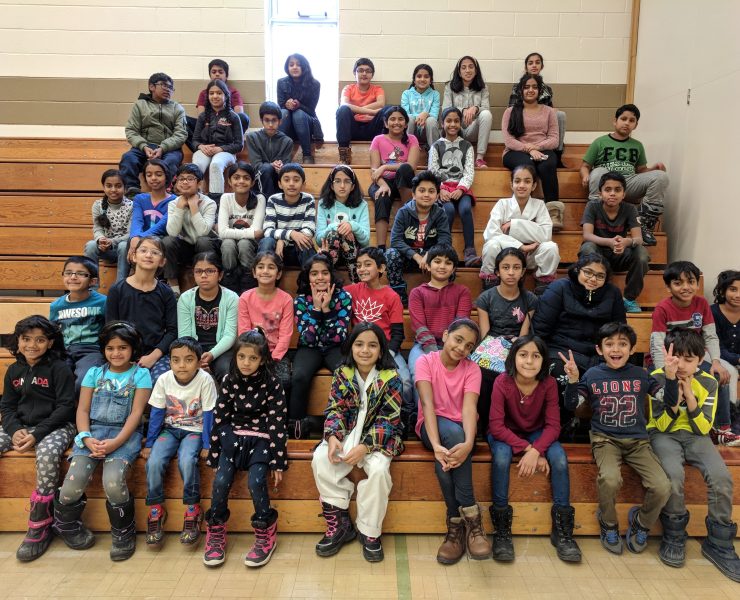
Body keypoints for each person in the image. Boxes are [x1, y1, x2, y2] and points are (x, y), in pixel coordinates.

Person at [562, 322, 671, 555]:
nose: (616, 349)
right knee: (610, 479)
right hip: (605, 440)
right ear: (600, 350)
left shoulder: (641, 374)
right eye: (609, 344)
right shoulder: (592, 375)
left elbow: (668, 402)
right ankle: (609, 523)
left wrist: (670, 379)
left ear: (632, 349)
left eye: (623, 344)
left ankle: (641, 523)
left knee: (662, 486)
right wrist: (573, 381)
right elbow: (572, 405)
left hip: (638, 442)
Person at [54, 321, 152, 561]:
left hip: (124, 435)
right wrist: (86, 438)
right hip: (92, 433)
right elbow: (83, 410)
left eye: (122, 347)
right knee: (70, 486)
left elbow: (137, 413)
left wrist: (116, 442)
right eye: (110, 348)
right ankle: (67, 526)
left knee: (113, 480)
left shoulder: (141, 374)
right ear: (103, 349)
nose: (116, 353)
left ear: (133, 349)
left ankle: (123, 531)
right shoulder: (94, 373)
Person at [648, 329, 740, 581]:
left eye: (689, 359)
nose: (681, 365)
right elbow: (661, 425)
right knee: (673, 475)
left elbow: (702, 428)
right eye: (675, 358)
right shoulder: (656, 378)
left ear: (701, 360)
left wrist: (690, 397)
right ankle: (675, 535)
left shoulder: (708, 382)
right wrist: (673, 399)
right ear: (667, 357)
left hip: (696, 436)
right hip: (663, 435)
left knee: (722, 478)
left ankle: (719, 542)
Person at [312, 321, 404, 562]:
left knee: (379, 471)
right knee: (321, 458)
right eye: (359, 344)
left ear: (381, 350)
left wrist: (365, 447)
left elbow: (389, 420)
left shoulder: (391, 377)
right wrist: (332, 436)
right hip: (347, 433)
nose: (365, 350)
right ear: (350, 347)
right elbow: (335, 409)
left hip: (378, 439)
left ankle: (369, 530)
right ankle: (340, 523)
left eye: (372, 345)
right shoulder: (343, 373)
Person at [488, 335, 581, 563]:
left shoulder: (548, 384)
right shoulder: (502, 382)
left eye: (536, 356)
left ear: (543, 361)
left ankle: (562, 530)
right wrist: (530, 450)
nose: (529, 361)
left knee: (559, 458)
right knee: (500, 457)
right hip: (506, 433)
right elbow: (496, 426)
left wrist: (537, 449)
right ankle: (501, 531)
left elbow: (553, 426)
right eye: (523, 355)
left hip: (537, 433)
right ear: (513, 358)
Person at [203, 329, 287, 568]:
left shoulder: (272, 383)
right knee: (220, 482)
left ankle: (265, 532)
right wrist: (216, 453)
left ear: (262, 359)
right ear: (235, 357)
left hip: (261, 439)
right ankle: (216, 532)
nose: (246, 363)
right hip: (233, 438)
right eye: (242, 357)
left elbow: (277, 422)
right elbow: (220, 418)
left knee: (256, 482)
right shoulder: (229, 381)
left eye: (253, 358)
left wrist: (278, 460)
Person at [415, 318, 492, 564]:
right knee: (452, 439)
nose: (462, 348)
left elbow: (469, 408)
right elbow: (427, 405)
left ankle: (455, 526)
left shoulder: (472, 369)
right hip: (430, 426)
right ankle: (472, 515)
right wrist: (436, 445)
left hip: (460, 431)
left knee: (452, 447)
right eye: (458, 339)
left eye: (469, 346)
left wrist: (469, 443)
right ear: (446, 334)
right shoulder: (425, 361)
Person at [0, 316, 75, 562]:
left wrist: (37, 433)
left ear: (50, 343)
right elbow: (8, 406)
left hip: (56, 426)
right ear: (18, 341)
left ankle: (40, 523)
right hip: (20, 426)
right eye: (26, 339)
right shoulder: (14, 370)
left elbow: (65, 407)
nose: (32, 345)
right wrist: (13, 430)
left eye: (40, 340)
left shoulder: (59, 368)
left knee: (47, 453)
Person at [649, 261, 737, 445]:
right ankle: (661, 426)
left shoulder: (702, 303)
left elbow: (711, 336)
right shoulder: (662, 309)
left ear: (698, 284)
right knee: (656, 384)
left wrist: (715, 361)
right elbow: (657, 346)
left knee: (719, 376)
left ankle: (721, 429)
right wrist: (667, 373)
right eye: (678, 283)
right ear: (668, 287)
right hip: (666, 361)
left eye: (690, 282)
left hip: (692, 359)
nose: (685, 287)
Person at [532, 253, 627, 423]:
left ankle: (599, 429)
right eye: (588, 272)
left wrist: (608, 355)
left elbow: (619, 330)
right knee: (561, 376)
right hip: (560, 351)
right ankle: (561, 425)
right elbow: (540, 328)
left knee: (610, 379)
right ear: (577, 270)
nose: (593, 279)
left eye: (600, 275)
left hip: (597, 354)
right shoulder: (559, 288)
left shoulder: (612, 293)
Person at [142, 337, 217, 547]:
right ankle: (156, 509)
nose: (182, 365)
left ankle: (193, 508)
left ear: (198, 361)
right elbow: (157, 413)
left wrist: (207, 444)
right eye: (176, 360)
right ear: (170, 362)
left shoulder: (205, 380)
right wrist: (150, 444)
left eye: (188, 359)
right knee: (154, 462)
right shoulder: (164, 379)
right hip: (170, 430)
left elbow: (210, 414)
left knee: (186, 460)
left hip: (195, 430)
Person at [580, 103, 669, 246]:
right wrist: (585, 175)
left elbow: (641, 170)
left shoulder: (637, 145)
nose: (627, 123)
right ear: (615, 121)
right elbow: (585, 166)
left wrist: (654, 169)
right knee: (598, 172)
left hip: (628, 183)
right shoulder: (600, 142)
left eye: (631, 121)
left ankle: (644, 223)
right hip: (607, 183)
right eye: (623, 119)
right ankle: (596, 215)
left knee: (661, 176)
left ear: (636, 125)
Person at [345, 247, 413, 433]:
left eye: (368, 264)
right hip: (360, 350)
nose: (362, 269)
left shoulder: (391, 296)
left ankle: (405, 417)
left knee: (405, 382)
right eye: (359, 265)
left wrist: (387, 355)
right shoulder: (351, 291)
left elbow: (398, 333)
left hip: (385, 349)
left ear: (381, 268)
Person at [289, 254, 352, 439]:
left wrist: (327, 310)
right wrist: (316, 309)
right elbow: (308, 337)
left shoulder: (344, 297)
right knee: (299, 376)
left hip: (335, 347)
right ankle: (297, 426)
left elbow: (339, 336)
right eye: (314, 273)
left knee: (345, 372)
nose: (320, 277)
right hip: (310, 347)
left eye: (325, 273)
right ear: (308, 277)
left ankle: (344, 423)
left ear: (331, 275)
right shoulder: (300, 300)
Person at [474, 248, 538, 425]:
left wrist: (516, 347)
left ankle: (515, 422)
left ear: (523, 271)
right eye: (506, 267)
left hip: (518, 346)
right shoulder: (485, 298)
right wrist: (497, 350)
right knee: (484, 372)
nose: (511, 272)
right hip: (491, 345)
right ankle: (487, 423)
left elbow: (524, 336)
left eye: (516, 267)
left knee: (521, 367)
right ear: (497, 271)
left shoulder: (530, 300)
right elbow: (485, 335)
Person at [105, 237, 178, 383]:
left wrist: (153, 356)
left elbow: (172, 331)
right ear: (133, 256)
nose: (148, 255)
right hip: (123, 353)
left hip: (156, 354)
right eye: (143, 250)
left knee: (160, 380)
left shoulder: (166, 292)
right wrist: (125, 356)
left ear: (162, 261)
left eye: (155, 252)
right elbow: (111, 329)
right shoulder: (117, 290)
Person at [480, 164, 560, 291]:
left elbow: (545, 235)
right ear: (511, 184)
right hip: (506, 256)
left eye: (527, 181)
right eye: (517, 181)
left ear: (533, 185)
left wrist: (514, 224)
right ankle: (490, 285)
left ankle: (543, 289)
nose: (522, 185)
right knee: (491, 245)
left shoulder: (539, 205)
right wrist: (521, 246)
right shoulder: (502, 204)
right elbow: (491, 234)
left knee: (551, 247)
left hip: (531, 256)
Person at [408, 245, 472, 401]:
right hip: (423, 346)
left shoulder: (462, 292)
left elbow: (461, 325)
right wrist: (436, 355)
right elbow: (419, 326)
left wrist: (449, 350)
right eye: (437, 261)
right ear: (428, 266)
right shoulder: (417, 293)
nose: (442, 266)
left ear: (454, 268)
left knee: (468, 375)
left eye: (448, 263)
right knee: (420, 375)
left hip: (454, 345)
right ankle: (420, 419)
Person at [580, 171, 650, 313]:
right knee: (588, 248)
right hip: (598, 254)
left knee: (641, 253)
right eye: (608, 189)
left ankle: (629, 299)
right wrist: (609, 242)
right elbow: (587, 235)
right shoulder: (592, 206)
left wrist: (625, 242)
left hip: (620, 254)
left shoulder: (630, 209)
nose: (612, 193)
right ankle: (595, 295)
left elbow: (639, 239)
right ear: (600, 193)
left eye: (617, 190)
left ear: (623, 194)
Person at [502, 74, 563, 230]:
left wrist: (537, 148)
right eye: (527, 87)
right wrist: (530, 149)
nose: (530, 90)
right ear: (521, 90)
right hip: (515, 151)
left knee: (547, 165)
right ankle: (524, 213)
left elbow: (554, 139)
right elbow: (509, 140)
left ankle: (553, 212)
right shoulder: (510, 111)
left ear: (540, 90)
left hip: (543, 149)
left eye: (534, 87)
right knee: (527, 166)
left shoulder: (549, 111)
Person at [386, 170, 452, 305]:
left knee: (450, 256)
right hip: (409, 256)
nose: (426, 194)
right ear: (413, 194)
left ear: (437, 195)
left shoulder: (440, 213)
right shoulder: (403, 212)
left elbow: (445, 240)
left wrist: (430, 254)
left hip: (430, 256)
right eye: (422, 190)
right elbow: (395, 240)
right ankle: (399, 295)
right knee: (391, 254)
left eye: (431, 191)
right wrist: (415, 256)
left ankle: (442, 294)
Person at [119, 72, 187, 196]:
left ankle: (166, 192)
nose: (168, 90)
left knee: (171, 161)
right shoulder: (140, 105)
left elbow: (181, 134)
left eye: (171, 88)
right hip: (143, 147)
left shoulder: (177, 108)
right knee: (128, 158)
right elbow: (131, 130)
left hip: (169, 149)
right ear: (152, 87)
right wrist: (143, 146)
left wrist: (163, 148)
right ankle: (132, 192)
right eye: (164, 85)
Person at [428, 107, 480, 266]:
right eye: (449, 121)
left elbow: (469, 171)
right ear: (442, 124)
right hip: (443, 188)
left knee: (465, 209)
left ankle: (470, 250)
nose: (452, 124)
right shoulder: (436, 146)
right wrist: (441, 188)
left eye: (456, 121)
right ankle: (445, 248)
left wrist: (461, 189)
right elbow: (433, 170)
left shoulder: (467, 146)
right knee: (448, 210)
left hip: (461, 188)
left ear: (461, 123)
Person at [177, 252, 239, 382]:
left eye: (210, 271)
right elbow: (184, 335)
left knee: (227, 373)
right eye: (198, 271)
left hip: (221, 349)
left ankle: (224, 403)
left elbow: (230, 335)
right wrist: (196, 356)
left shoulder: (232, 298)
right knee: (180, 370)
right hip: (192, 348)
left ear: (220, 275)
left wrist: (212, 354)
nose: (203, 275)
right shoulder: (185, 298)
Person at [237, 251, 293, 393]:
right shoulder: (245, 298)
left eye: (271, 267)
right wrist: (254, 357)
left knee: (283, 381)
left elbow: (285, 335)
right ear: (254, 272)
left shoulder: (286, 299)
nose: (265, 271)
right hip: (250, 352)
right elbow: (244, 332)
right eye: (261, 267)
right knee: (242, 379)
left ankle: (278, 414)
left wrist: (273, 359)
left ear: (278, 274)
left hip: (276, 354)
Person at [50, 256, 106, 392]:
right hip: (65, 351)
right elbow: (52, 332)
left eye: (81, 274)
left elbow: (110, 330)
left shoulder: (103, 302)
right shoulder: (56, 305)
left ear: (93, 281)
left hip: (92, 351)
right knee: (56, 379)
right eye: (68, 273)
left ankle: (79, 411)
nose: (73, 277)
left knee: (83, 381)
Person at [162, 163, 219, 296]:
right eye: (181, 179)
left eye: (190, 178)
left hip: (208, 246)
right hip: (186, 247)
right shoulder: (173, 203)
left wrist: (194, 207)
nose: (185, 182)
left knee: (203, 240)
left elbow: (203, 231)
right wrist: (180, 208)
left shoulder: (209, 203)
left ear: (199, 183)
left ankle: (206, 285)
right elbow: (172, 232)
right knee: (168, 241)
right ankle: (174, 290)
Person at [368, 105, 420, 249]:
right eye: (392, 119)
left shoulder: (412, 139)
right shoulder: (378, 140)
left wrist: (385, 166)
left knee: (404, 168)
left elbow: (411, 167)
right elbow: (374, 170)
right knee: (382, 197)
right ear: (385, 123)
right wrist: (383, 184)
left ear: (406, 123)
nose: (396, 122)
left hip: (405, 182)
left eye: (400, 119)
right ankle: (381, 248)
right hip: (382, 181)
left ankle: (408, 212)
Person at [508, 52, 567, 165]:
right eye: (530, 63)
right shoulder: (518, 87)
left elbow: (549, 109)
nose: (534, 65)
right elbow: (511, 109)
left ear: (542, 66)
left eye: (537, 62)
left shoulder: (547, 89)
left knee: (560, 115)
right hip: (523, 125)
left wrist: (552, 110)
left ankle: (558, 154)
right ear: (526, 67)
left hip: (542, 127)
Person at [316, 164, 370, 283]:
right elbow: (319, 239)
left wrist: (352, 226)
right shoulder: (323, 204)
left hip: (353, 253)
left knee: (347, 234)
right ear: (331, 185)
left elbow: (365, 240)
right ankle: (329, 283)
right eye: (337, 181)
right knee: (334, 234)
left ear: (352, 186)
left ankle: (356, 283)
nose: (342, 186)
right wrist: (335, 227)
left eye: (347, 181)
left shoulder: (362, 205)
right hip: (330, 251)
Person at [217, 161, 266, 292]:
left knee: (244, 243)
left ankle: (249, 279)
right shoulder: (226, 198)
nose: (241, 181)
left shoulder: (259, 199)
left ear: (253, 182)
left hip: (250, 246)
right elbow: (222, 233)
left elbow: (256, 232)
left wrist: (253, 233)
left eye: (246, 178)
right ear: (229, 181)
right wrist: (252, 233)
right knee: (227, 243)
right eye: (236, 177)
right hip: (230, 245)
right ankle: (229, 278)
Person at [191, 79, 244, 198]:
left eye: (219, 93)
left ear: (226, 95)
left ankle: (216, 202)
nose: (215, 96)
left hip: (226, 152)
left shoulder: (234, 117)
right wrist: (201, 146)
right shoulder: (202, 116)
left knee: (215, 165)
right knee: (196, 166)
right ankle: (194, 197)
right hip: (205, 150)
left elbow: (239, 145)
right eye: (211, 93)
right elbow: (194, 140)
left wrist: (220, 149)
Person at [259, 162, 316, 268]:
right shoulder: (273, 200)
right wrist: (291, 234)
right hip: (277, 251)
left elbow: (309, 230)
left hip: (297, 249)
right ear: (280, 184)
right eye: (286, 180)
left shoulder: (308, 199)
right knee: (267, 241)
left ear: (303, 184)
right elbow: (267, 231)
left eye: (296, 180)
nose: (291, 183)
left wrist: (283, 240)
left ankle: (307, 282)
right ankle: (267, 281)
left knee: (305, 242)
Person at [127, 159, 177, 278]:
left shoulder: (175, 200)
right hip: (142, 237)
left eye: (158, 174)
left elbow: (163, 225)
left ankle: (172, 282)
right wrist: (135, 237)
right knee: (129, 241)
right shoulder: (140, 198)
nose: (153, 178)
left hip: (162, 237)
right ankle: (129, 279)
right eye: (149, 175)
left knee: (166, 242)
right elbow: (137, 221)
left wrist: (140, 239)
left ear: (166, 176)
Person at [442, 56, 492, 167]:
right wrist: (463, 110)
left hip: (473, 130)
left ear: (476, 70)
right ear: (459, 72)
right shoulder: (449, 87)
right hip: (456, 128)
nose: (467, 70)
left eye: (471, 67)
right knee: (448, 117)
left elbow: (486, 108)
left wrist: (476, 108)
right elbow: (445, 109)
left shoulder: (483, 88)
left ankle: (479, 158)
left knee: (486, 114)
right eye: (463, 68)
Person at [83, 169, 132, 281]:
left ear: (125, 187)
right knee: (90, 245)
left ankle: (120, 286)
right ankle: (91, 287)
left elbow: (131, 234)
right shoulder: (98, 205)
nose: (113, 189)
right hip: (105, 249)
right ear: (103, 187)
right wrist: (101, 240)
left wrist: (112, 242)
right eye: (109, 186)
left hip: (124, 250)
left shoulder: (131, 206)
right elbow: (97, 228)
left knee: (123, 246)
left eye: (118, 186)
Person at [336, 58, 387, 164]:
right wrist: (372, 112)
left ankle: (385, 154)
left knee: (387, 110)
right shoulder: (348, 88)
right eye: (360, 70)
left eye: (368, 71)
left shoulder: (378, 89)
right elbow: (344, 104)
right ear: (355, 73)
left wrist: (356, 109)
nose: (364, 74)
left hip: (372, 128)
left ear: (372, 75)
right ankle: (344, 155)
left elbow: (381, 104)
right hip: (352, 128)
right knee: (342, 110)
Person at [277, 53, 323, 164]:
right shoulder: (281, 82)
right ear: (287, 68)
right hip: (288, 124)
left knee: (299, 114)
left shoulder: (314, 84)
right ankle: (280, 156)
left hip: (307, 125)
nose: (294, 67)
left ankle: (307, 155)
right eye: (291, 64)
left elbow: (311, 110)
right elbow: (280, 105)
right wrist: (286, 105)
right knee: (283, 112)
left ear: (304, 66)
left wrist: (298, 105)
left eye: (298, 64)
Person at [246, 101, 294, 200]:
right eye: (267, 120)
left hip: (278, 179)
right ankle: (267, 204)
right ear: (261, 120)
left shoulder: (287, 141)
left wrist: (281, 168)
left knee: (297, 169)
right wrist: (271, 165)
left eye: (274, 120)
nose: (271, 124)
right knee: (267, 169)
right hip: (259, 179)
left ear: (280, 121)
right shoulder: (252, 137)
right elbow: (256, 166)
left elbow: (286, 168)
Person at [711, 270, 740, 415]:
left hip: (737, 359)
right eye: (733, 289)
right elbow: (715, 344)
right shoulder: (713, 312)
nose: (738, 295)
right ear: (722, 291)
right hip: (715, 356)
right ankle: (731, 414)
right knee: (731, 372)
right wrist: (737, 359)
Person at [195, 59, 250, 134]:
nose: (217, 74)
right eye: (214, 72)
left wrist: (222, 122)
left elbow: (238, 116)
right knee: (185, 121)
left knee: (243, 118)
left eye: (220, 72)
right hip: (208, 127)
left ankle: (231, 143)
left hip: (227, 128)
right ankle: (200, 145)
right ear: (210, 75)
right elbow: (201, 116)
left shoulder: (233, 92)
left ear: (226, 75)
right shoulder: (204, 93)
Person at [401, 63, 440, 150]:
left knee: (431, 120)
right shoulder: (406, 94)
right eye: (419, 76)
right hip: (411, 130)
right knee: (409, 118)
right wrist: (419, 117)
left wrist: (426, 114)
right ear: (414, 80)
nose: (422, 79)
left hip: (427, 132)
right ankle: (406, 148)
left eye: (426, 76)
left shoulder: (435, 94)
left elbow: (435, 114)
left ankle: (434, 152)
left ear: (431, 80)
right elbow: (404, 115)